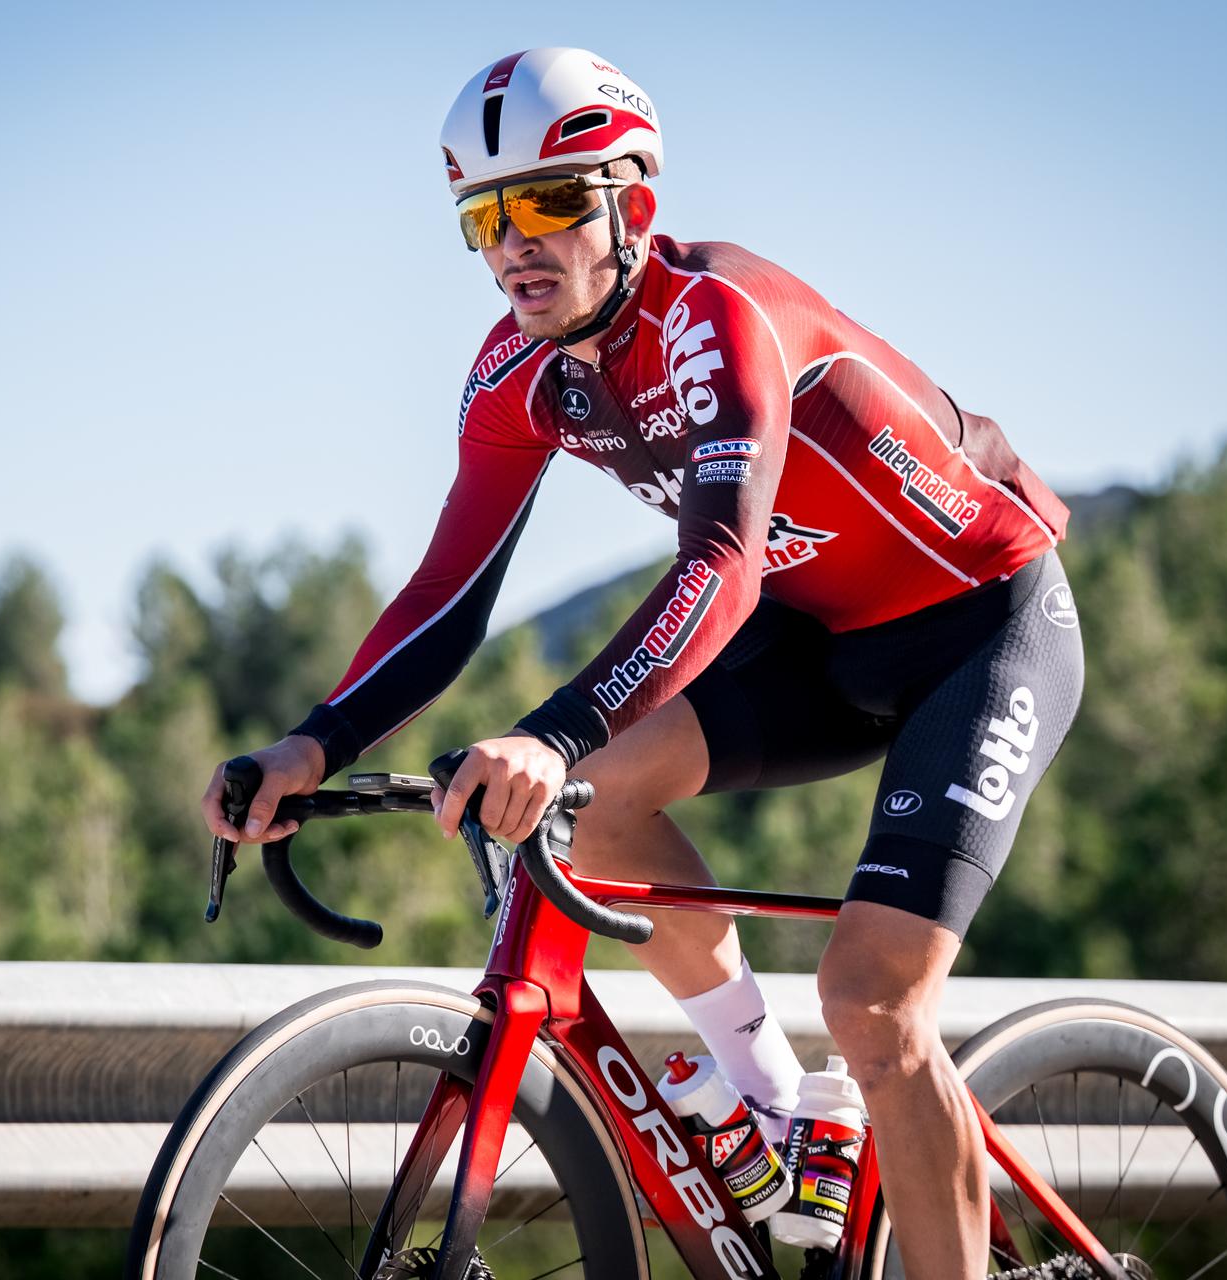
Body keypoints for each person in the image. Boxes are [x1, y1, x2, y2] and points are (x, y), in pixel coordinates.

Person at [201, 46, 1084, 1279]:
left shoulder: (715, 318)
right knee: (590, 812)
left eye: (556, 201)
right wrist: (314, 741)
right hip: (820, 635)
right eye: (487, 214)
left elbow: (719, 564)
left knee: (876, 1006)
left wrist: (552, 728)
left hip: (981, 625)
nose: (519, 241)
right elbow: (450, 590)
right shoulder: (518, 376)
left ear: (635, 207)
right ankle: (783, 1113)